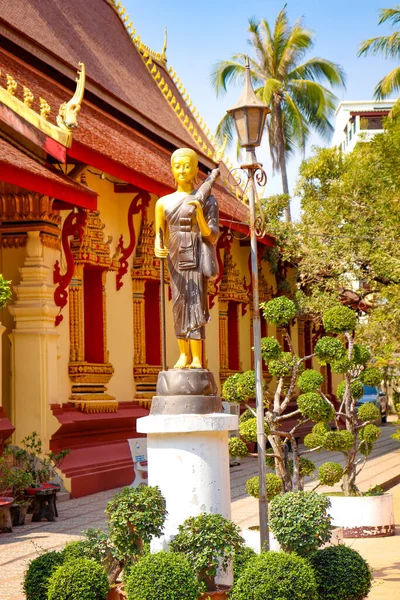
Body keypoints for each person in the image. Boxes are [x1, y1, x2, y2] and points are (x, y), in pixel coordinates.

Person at [154, 148, 219, 369]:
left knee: (196, 305)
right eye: (178, 166)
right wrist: (157, 247)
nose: (182, 170)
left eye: (187, 165)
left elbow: (211, 236)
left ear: (196, 171)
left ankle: (197, 357)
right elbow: (159, 234)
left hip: (197, 256)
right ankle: (183, 354)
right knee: (179, 305)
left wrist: (199, 214)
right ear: (172, 169)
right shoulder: (163, 203)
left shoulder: (208, 201)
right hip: (175, 256)